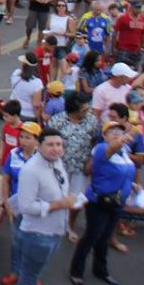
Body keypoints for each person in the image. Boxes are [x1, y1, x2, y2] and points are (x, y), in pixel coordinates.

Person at [69, 120, 137, 285]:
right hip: (99, 202)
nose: (116, 133)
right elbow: (112, 149)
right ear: (104, 135)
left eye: (119, 131)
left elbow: (126, 171)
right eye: (111, 131)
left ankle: (101, 270)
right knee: (91, 237)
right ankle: (76, 271)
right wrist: (124, 137)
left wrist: (133, 184)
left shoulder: (125, 152)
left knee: (105, 238)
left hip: (117, 202)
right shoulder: (101, 149)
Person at [16, 127, 82, 285]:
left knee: (35, 272)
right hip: (37, 234)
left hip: (55, 231)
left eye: (59, 144)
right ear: (39, 146)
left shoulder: (56, 162)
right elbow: (25, 206)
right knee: (29, 276)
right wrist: (59, 204)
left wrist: (68, 200)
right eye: (50, 145)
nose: (56, 149)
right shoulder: (30, 171)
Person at [48, 91, 99, 243]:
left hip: (81, 166)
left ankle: (69, 225)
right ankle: (54, 223)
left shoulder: (91, 121)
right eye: (83, 110)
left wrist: (91, 160)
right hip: (59, 166)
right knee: (55, 195)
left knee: (77, 198)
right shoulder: (57, 121)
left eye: (87, 109)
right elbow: (47, 142)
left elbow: (95, 141)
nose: (87, 112)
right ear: (73, 110)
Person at [0, 122, 42, 285]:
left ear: (37, 140)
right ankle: (15, 272)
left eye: (28, 137)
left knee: (33, 243)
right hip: (17, 206)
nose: (23, 141)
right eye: (21, 137)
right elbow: (6, 178)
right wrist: (6, 202)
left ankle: (31, 275)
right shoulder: (13, 154)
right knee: (17, 241)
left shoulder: (43, 158)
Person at [10, 52, 44, 123]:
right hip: (28, 115)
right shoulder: (37, 82)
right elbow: (36, 104)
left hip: (14, 112)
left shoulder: (15, 74)